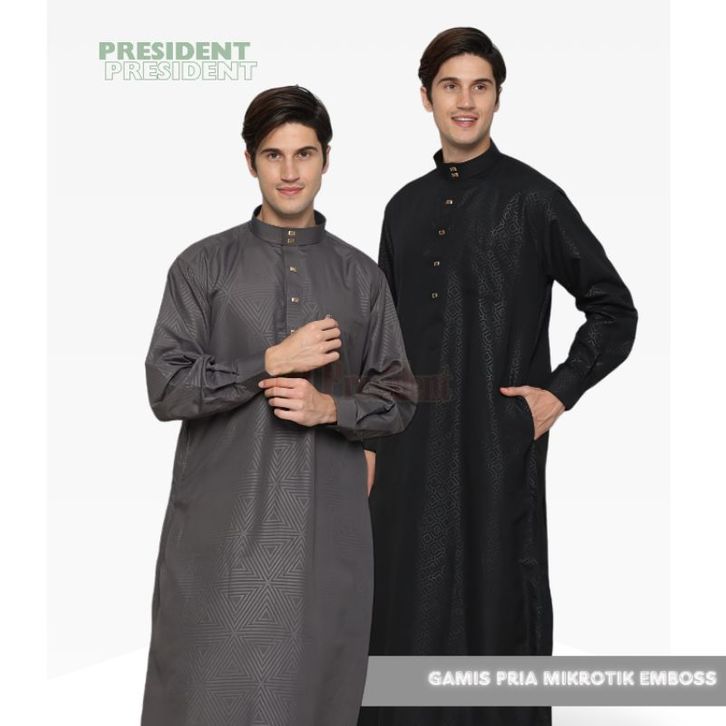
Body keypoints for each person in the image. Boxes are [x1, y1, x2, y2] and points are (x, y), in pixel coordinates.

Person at [358, 28, 638, 726]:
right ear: (425, 97)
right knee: (400, 615)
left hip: (494, 447)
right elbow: (380, 341)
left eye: (480, 86)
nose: (465, 101)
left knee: (497, 611)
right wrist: (366, 442)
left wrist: (559, 392)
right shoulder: (403, 208)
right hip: (405, 455)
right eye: (450, 86)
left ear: (498, 98)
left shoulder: (533, 199)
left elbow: (613, 308)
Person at [140, 85, 417, 726]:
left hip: (324, 546)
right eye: (273, 155)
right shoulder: (203, 267)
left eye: (305, 154)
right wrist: (268, 360)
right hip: (216, 544)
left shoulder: (360, 277)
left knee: (313, 701)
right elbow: (165, 387)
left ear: (326, 159)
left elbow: (400, 396)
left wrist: (331, 410)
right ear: (250, 162)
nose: (290, 172)